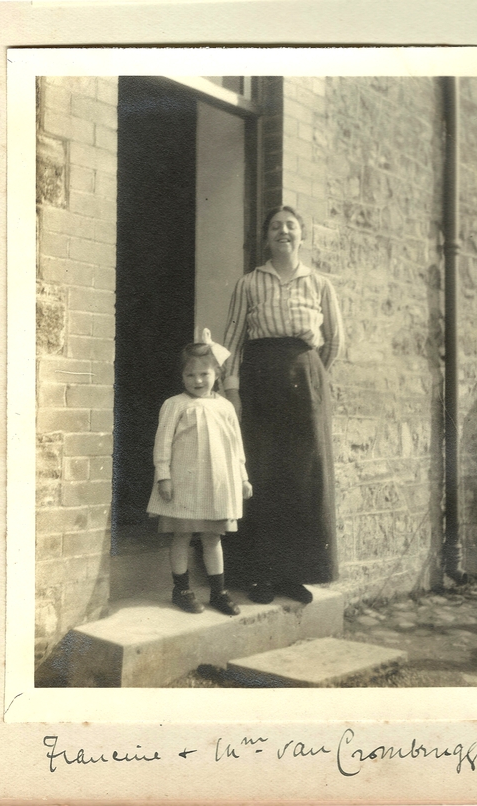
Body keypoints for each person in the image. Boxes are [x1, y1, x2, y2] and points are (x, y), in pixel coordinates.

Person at [223, 206, 344, 605]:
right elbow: (233, 338)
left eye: (291, 226)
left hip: (305, 384)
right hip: (260, 381)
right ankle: (256, 574)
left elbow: (335, 340)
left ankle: (293, 574)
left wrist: (310, 375)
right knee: (261, 471)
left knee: (302, 474)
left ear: (302, 236)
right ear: (266, 237)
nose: (283, 232)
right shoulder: (249, 283)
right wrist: (234, 387)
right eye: (275, 226)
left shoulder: (321, 284)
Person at [146, 330, 253, 616]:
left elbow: (235, 445)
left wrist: (242, 477)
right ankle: (181, 589)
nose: (197, 381)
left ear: (217, 374)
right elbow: (163, 443)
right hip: (184, 482)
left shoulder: (225, 406)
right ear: (181, 377)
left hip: (216, 484)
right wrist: (164, 476)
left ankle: (218, 591)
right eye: (190, 375)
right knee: (181, 535)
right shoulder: (175, 405)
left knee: (212, 537)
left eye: (204, 374)